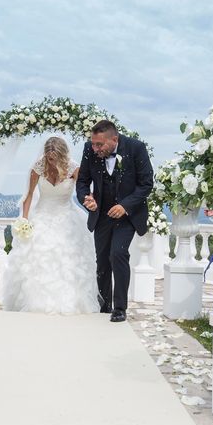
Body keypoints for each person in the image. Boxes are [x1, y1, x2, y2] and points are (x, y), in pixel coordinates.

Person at [0, 136, 100, 314]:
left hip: (67, 216)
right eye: (49, 158)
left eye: (54, 158)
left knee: (67, 259)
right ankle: (36, 302)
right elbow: (28, 195)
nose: (51, 162)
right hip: (42, 215)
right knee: (37, 258)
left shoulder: (74, 168)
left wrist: (90, 200)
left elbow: (83, 189)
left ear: (62, 155)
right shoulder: (38, 167)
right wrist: (25, 220)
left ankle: (71, 301)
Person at [76, 120, 154, 322]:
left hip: (127, 215)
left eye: (99, 145)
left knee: (118, 254)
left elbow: (146, 184)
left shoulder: (136, 148)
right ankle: (104, 303)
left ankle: (120, 308)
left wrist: (125, 206)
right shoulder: (89, 149)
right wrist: (87, 199)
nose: (95, 149)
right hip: (101, 215)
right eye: (93, 144)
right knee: (102, 261)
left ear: (114, 139)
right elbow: (82, 181)